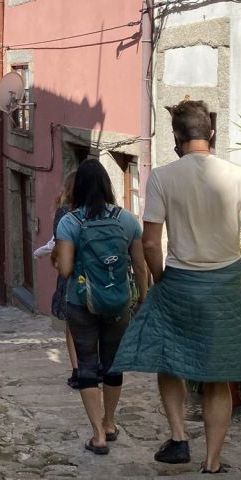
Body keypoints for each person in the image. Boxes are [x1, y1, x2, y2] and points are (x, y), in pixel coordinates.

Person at [111, 99, 241, 474]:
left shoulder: (163, 178)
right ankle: (213, 462)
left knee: (168, 360)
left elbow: (151, 242)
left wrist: (158, 280)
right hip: (224, 286)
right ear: (211, 132)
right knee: (218, 376)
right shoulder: (239, 175)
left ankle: (179, 436)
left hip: (180, 283)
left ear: (177, 137)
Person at [54, 159, 149, 455]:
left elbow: (66, 269)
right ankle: (109, 421)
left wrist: (57, 257)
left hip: (81, 303)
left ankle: (97, 435)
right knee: (112, 364)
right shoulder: (127, 220)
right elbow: (139, 264)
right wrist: (143, 295)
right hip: (118, 302)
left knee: (86, 365)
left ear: (78, 188)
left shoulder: (70, 222)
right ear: (108, 186)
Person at [33, 171, 80, 388]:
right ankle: (95, 365)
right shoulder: (102, 211)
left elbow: (58, 244)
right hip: (97, 275)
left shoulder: (65, 213)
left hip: (71, 274)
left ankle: (78, 369)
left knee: (72, 326)